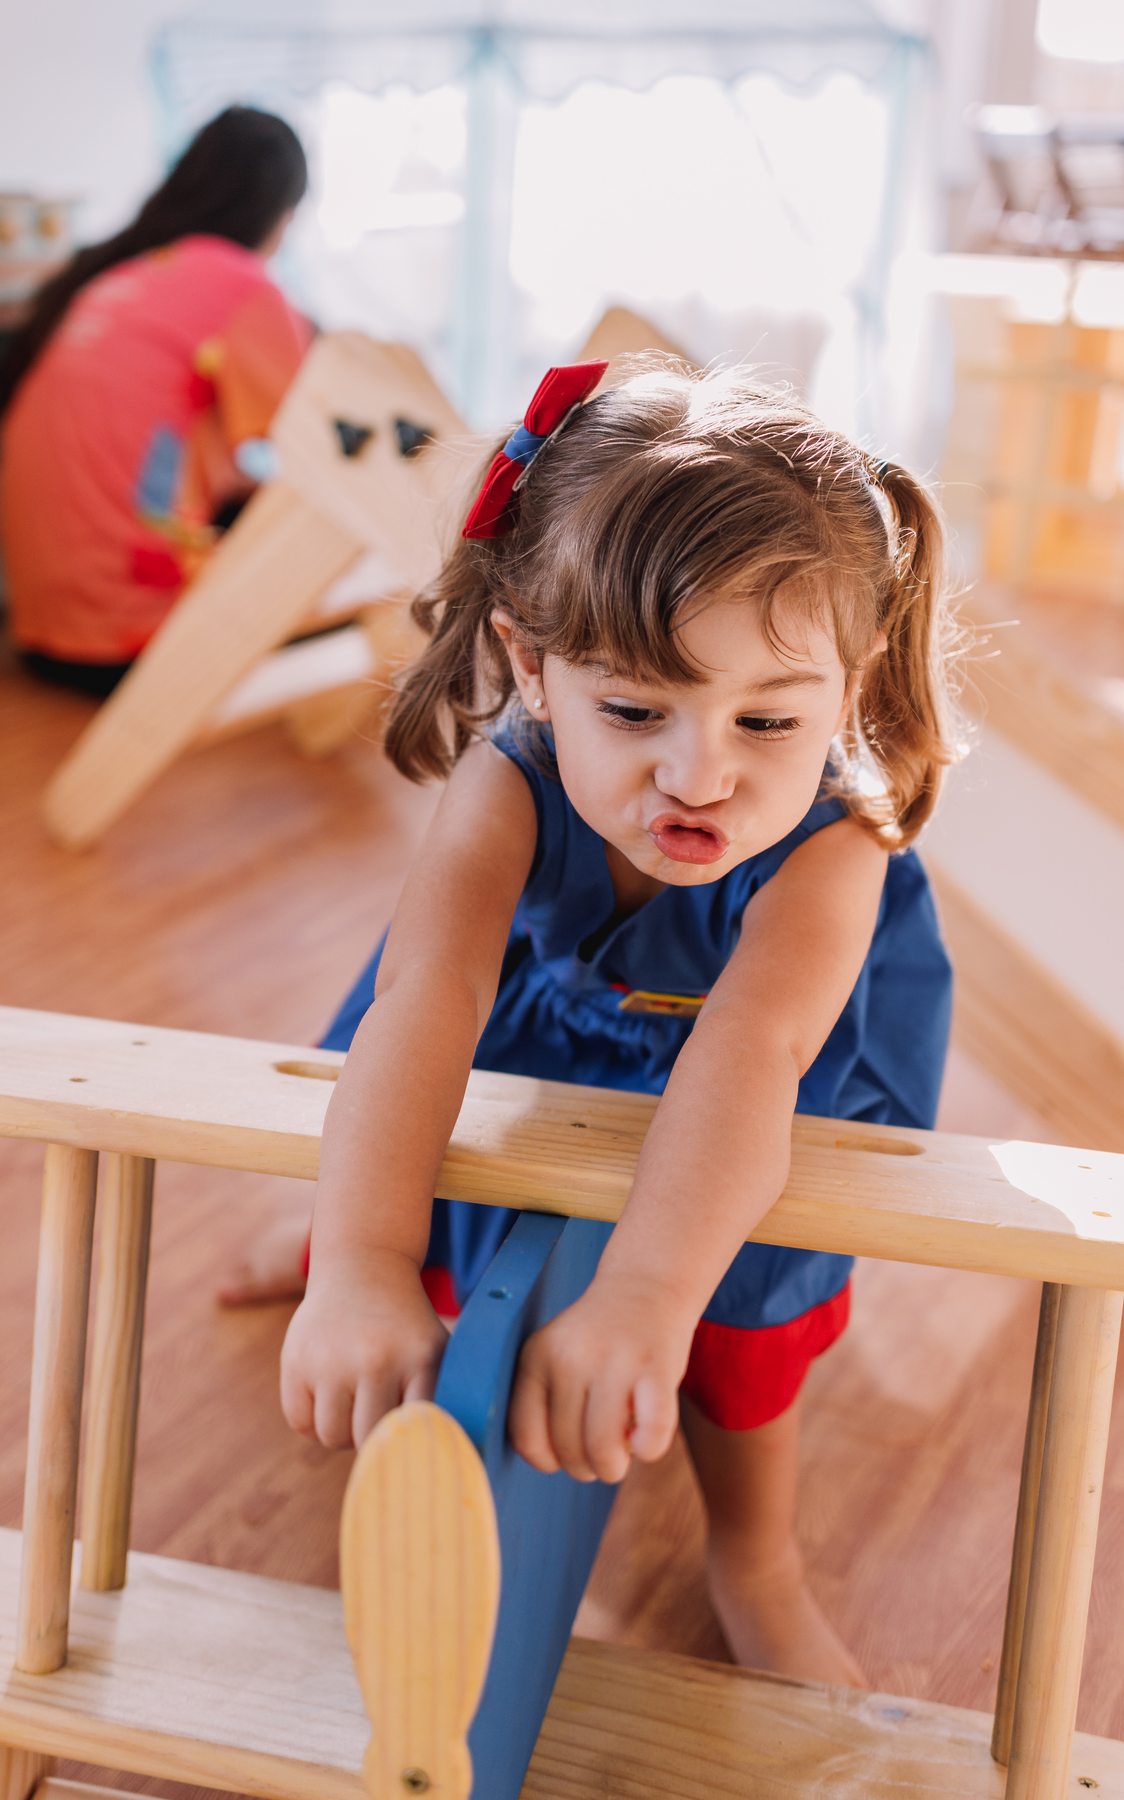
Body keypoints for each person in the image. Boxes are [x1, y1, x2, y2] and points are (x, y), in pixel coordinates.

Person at [277, 357, 959, 1684]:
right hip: (566, 1023)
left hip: (770, 1069)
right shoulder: (510, 785)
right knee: (448, 1218)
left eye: (769, 718)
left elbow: (752, 1056)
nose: (699, 773)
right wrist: (352, 1258)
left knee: (743, 1300)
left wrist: (650, 1295)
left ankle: (753, 1553)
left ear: (852, 685)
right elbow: (422, 1001)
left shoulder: (833, 846)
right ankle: (320, 1223)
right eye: (636, 710)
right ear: (532, 667)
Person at [0, 106, 311, 697]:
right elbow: (322, 443)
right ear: (280, 212)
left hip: (41, 632)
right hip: (138, 639)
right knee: (317, 519)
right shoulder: (246, 286)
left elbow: (155, 444)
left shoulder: (120, 276)